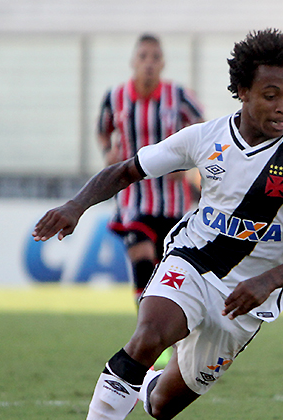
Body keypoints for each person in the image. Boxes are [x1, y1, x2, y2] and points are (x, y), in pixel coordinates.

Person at [35, 28, 283, 420]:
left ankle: (145, 384)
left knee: (162, 406)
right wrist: (76, 205)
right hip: (194, 260)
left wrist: (267, 281)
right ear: (241, 91)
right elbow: (127, 169)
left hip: (248, 301)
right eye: (270, 95)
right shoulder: (207, 137)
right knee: (148, 335)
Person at [98, 34, 204, 305]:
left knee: (165, 270)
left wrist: (189, 162)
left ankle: (161, 324)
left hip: (172, 202)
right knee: (142, 260)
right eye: (143, 56)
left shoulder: (178, 96)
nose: (149, 63)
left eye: (155, 58)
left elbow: (204, 130)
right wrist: (108, 152)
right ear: (133, 61)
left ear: (163, 63)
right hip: (134, 198)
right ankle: (145, 326)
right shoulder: (115, 97)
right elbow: (103, 129)